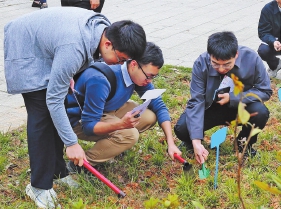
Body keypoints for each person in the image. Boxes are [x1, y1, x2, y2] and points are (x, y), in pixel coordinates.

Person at [4, 7, 146, 208]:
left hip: (49, 46)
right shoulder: (74, 47)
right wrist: (72, 143)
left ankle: (57, 172)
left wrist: (70, 71)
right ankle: (39, 186)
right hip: (26, 48)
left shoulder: (104, 30)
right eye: (121, 59)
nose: (119, 64)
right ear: (108, 44)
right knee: (42, 115)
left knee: (58, 105)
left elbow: (70, 60)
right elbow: (52, 98)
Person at [66, 42, 181, 170]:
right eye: (149, 76)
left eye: (153, 77)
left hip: (106, 109)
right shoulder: (101, 79)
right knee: (129, 135)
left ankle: (111, 146)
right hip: (79, 120)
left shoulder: (138, 76)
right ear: (133, 65)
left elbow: (158, 105)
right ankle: (80, 164)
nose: (150, 81)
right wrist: (121, 125)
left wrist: (171, 143)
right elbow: (88, 126)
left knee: (149, 116)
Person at [174, 31, 272, 165]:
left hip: (241, 106)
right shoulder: (201, 63)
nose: (221, 69)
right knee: (182, 129)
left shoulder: (252, 58)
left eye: (227, 64)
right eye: (215, 63)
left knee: (260, 112)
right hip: (210, 108)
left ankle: (244, 144)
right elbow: (196, 101)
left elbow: (265, 90)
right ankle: (193, 144)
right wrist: (196, 140)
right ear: (209, 56)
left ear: (236, 55)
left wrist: (234, 98)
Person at [258, 0, 281, 79]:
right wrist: (273, 41)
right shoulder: (268, 9)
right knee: (263, 50)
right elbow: (263, 31)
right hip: (275, 41)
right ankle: (275, 65)